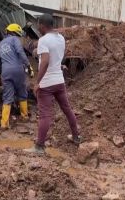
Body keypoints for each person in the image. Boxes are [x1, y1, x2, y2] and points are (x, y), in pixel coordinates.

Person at [24, 14, 82, 154]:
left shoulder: (43, 40)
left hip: (47, 83)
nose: (38, 27)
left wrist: (38, 82)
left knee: (45, 115)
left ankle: (39, 147)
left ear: (43, 25)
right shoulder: (61, 38)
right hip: (59, 81)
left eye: (39, 25)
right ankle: (76, 137)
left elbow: (45, 61)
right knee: (67, 109)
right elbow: (58, 56)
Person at [0, 23, 34, 129]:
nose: (18, 36)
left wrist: (0, 72)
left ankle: (4, 123)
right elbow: (20, 52)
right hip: (18, 71)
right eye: (18, 34)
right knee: (22, 93)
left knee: (7, 97)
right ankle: (24, 116)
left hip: (5, 72)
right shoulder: (15, 40)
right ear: (14, 32)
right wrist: (28, 65)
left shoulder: (1, 44)